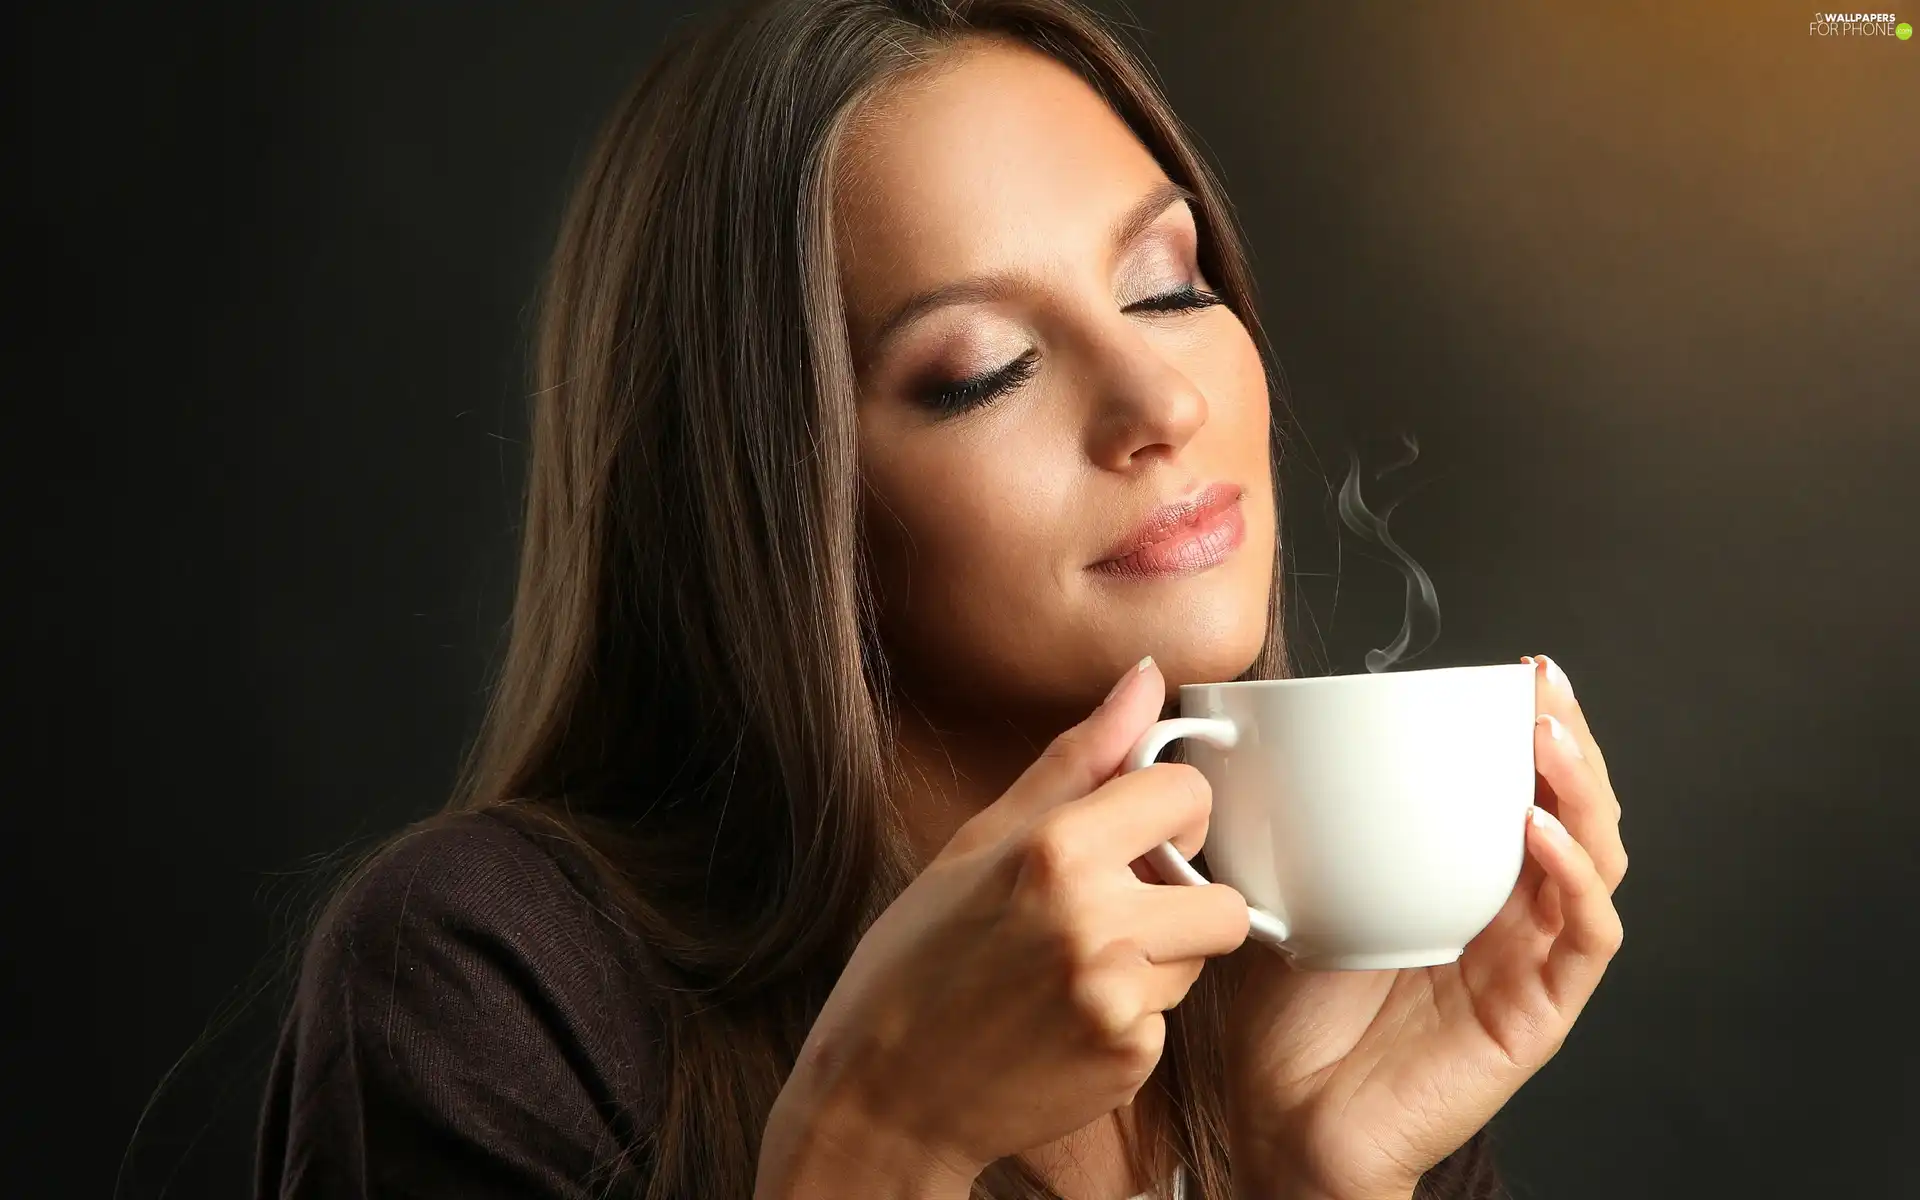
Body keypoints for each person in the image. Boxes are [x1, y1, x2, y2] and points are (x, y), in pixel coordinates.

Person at [253, 2, 1629, 1197]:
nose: (1164, 402)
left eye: (1168, 287)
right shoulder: (494, 982)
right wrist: (882, 1141)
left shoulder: (1310, 997)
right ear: (772, 506)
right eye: (982, 371)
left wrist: (1317, 1182)